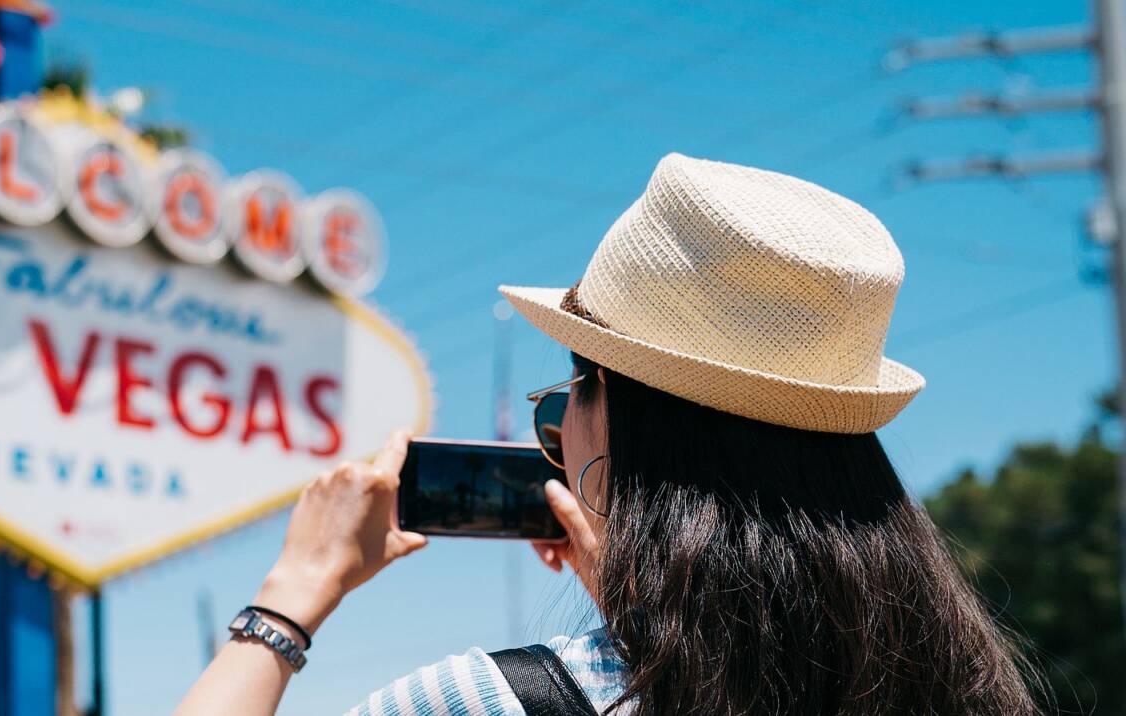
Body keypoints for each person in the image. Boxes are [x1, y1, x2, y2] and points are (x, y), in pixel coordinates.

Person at [173, 154, 1044, 715]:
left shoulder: (496, 700)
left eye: (572, 392)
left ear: (624, 426)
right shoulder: (967, 692)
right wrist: (645, 609)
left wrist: (289, 598)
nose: (556, 431)